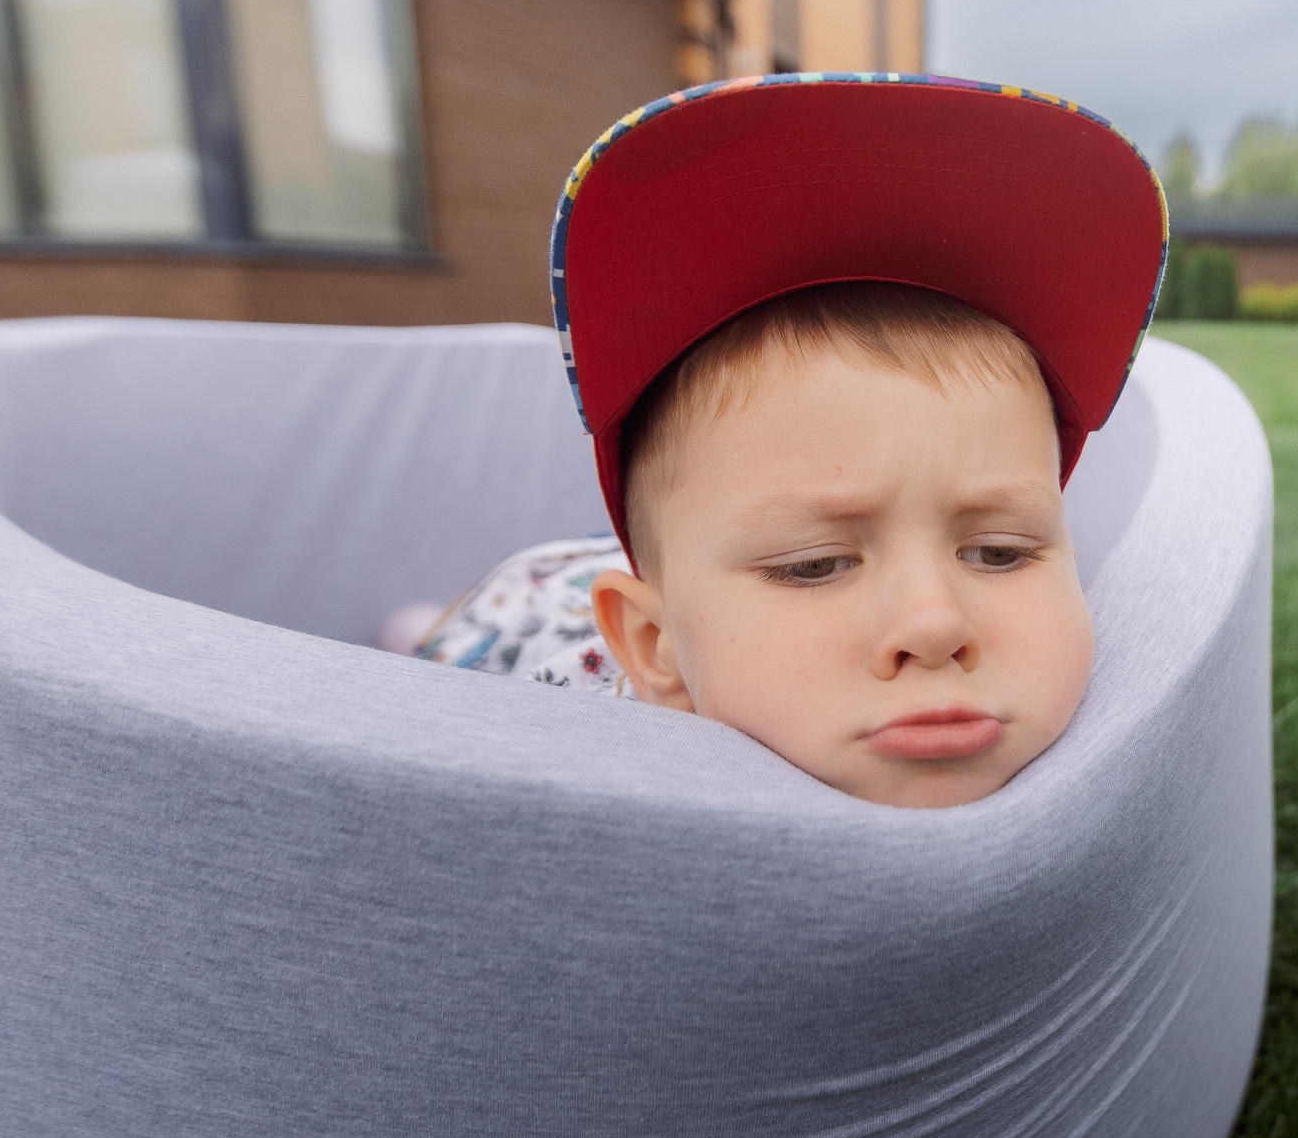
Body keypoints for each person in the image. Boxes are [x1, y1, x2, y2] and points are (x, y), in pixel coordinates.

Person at [398, 72, 1167, 808]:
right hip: (530, 599)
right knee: (423, 639)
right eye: (814, 565)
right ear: (658, 646)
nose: (935, 625)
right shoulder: (551, 755)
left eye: (999, 551)